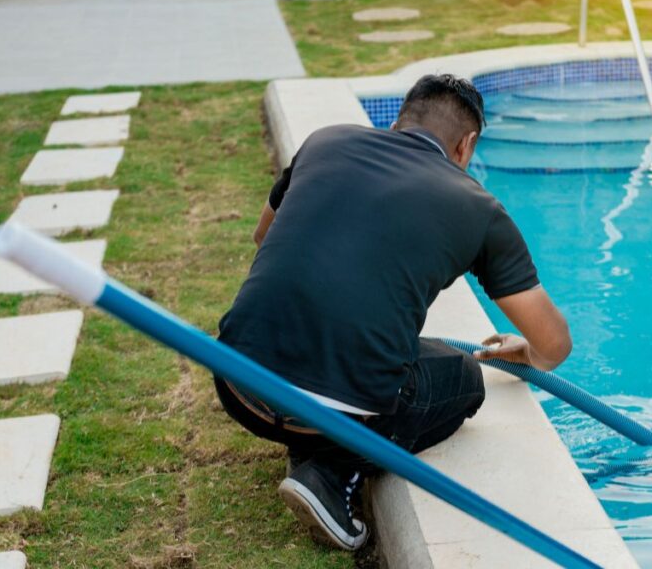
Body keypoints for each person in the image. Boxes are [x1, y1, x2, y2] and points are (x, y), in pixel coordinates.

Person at [214, 73, 571, 551]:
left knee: (420, 352)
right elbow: (555, 346)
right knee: (463, 376)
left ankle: (311, 434)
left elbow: (263, 238)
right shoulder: (477, 205)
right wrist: (525, 352)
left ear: (401, 119)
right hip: (338, 409)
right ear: (466, 145)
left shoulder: (325, 141)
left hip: (238, 383)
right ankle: (330, 472)